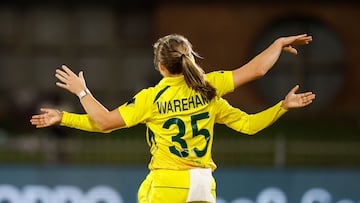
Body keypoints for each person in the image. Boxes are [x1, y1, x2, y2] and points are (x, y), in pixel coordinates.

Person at [30, 34, 315, 203]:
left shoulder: (151, 98)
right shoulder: (210, 89)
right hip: (204, 185)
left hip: (168, 184)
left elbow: (104, 121)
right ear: (189, 59)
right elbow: (255, 80)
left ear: (161, 66)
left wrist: (81, 94)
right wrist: (281, 101)